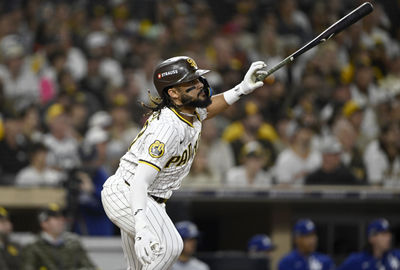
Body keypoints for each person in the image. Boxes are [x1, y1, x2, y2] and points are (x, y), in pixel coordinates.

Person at [101, 56, 267, 269]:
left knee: (139, 266)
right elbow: (140, 181)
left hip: (150, 199)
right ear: (173, 93)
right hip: (129, 193)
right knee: (170, 247)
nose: (199, 85)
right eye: (191, 83)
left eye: (197, 80)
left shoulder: (188, 110)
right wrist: (141, 225)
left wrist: (241, 89)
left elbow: (208, 109)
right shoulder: (167, 129)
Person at [21, 203, 96, 270]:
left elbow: (90, 267)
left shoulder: (73, 244)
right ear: (44, 223)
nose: (61, 221)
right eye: (56, 218)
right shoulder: (33, 247)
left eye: (62, 218)